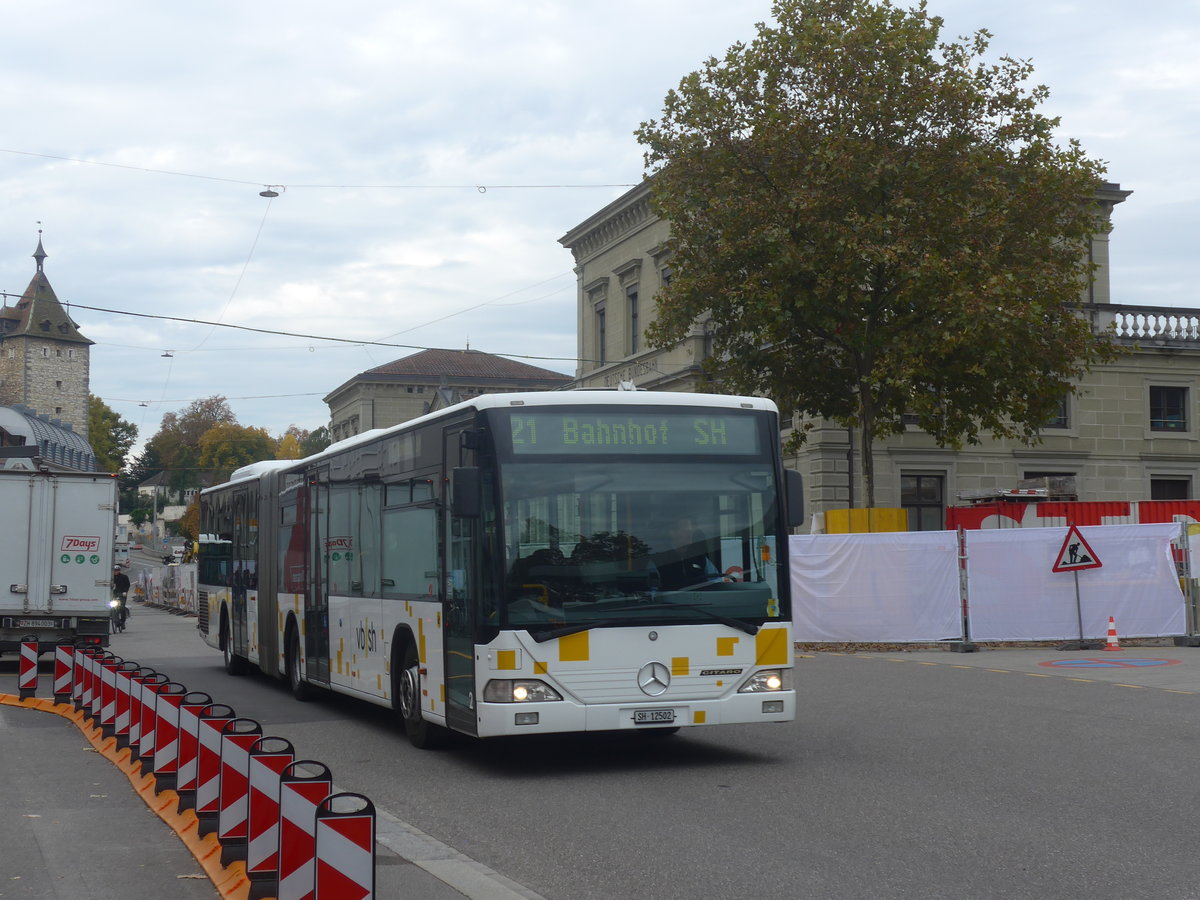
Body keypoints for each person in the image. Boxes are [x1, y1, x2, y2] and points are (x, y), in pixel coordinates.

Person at [654, 516, 719, 590]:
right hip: (669, 600)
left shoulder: (700, 558)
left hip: (700, 600)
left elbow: (715, 582)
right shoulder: (659, 560)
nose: (690, 534)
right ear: (672, 532)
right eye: (686, 531)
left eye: (691, 531)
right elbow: (652, 590)